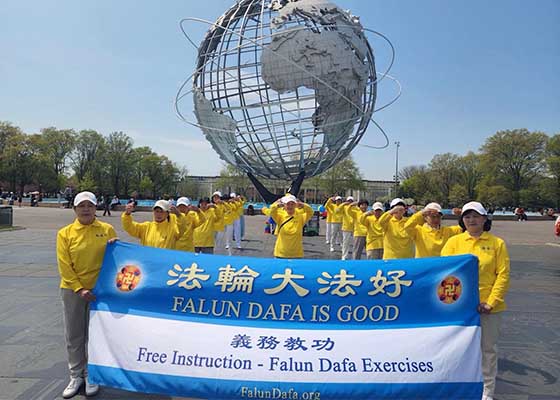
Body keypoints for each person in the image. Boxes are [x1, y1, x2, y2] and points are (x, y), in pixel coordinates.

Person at [441, 201, 510, 400]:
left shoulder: (497, 244)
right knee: (457, 349)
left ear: (484, 219)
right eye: (467, 216)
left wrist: (491, 302)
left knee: (487, 350)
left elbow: (503, 275)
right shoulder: (454, 242)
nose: (471, 220)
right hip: (460, 307)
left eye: (476, 216)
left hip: (488, 308)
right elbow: (444, 272)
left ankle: (487, 391)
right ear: (462, 220)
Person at [56, 191, 117, 398]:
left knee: (95, 335)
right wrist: (79, 288)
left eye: (89, 205)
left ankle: (91, 374)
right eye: (81, 206)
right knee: (74, 334)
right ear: (74, 209)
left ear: (95, 208)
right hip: (73, 290)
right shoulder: (65, 233)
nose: (85, 209)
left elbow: (115, 260)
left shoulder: (107, 230)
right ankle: (76, 375)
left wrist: (114, 247)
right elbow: (64, 265)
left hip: (99, 292)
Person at [121, 199, 186, 249]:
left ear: (167, 214)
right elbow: (130, 227)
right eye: (157, 211)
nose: (158, 214)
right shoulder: (146, 226)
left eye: (162, 212)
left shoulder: (172, 229)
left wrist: (179, 215)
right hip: (149, 262)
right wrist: (127, 214)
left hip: (164, 263)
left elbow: (181, 228)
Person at [269, 194, 313, 258]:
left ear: (295, 205)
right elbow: (271, 211)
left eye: (292, 204)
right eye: (288, 204)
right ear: (284, 205)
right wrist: (277, 205)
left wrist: (303, 205)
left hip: (296, 254)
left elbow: (310, 212)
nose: (290, 206)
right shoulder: (280, 217)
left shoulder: (300, 217)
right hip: (280, 253)